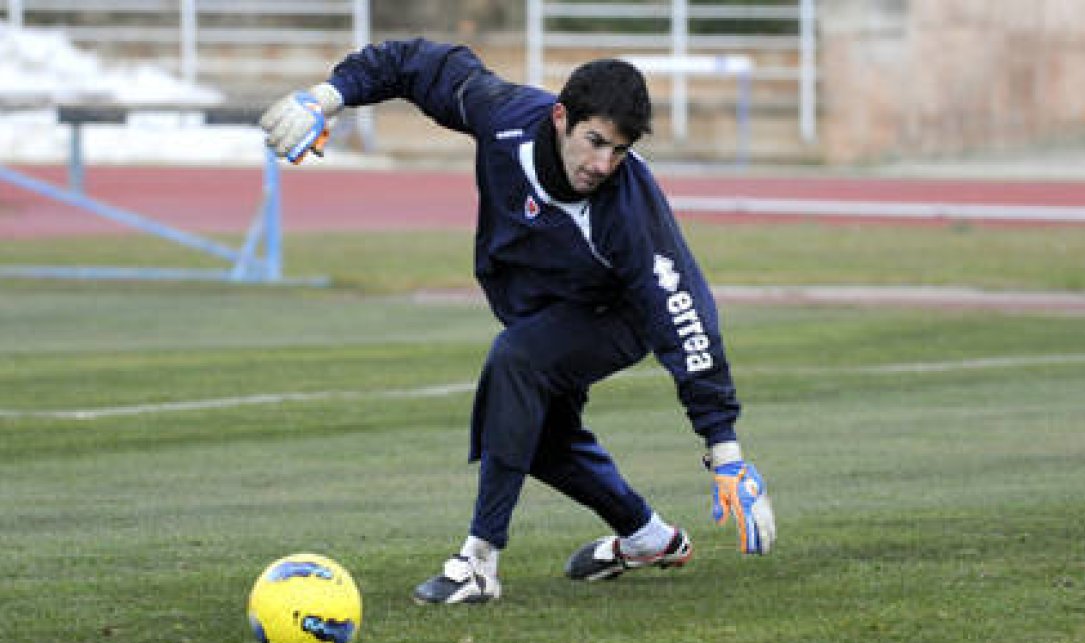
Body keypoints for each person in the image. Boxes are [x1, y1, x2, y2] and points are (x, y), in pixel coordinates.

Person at [259, 38, 775, 605]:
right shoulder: (502, 116)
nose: (603, 165)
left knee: (517, 360)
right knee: (539, 439)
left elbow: (683, 313)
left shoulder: (628, 206)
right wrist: (324, 98)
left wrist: (725, 450)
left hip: (618, 317)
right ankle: (649, 537)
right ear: (560, 118)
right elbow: (415, 65)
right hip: (542, 309)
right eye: (595, 141)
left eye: (619, 151)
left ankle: (479, 561)